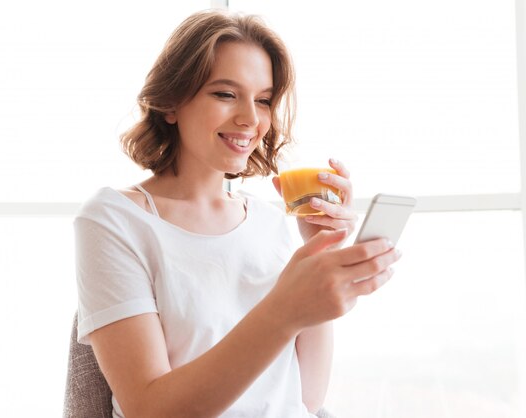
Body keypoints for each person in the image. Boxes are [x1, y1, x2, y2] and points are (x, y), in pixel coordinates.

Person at [74, 9, 400, 418]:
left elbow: (305, 398)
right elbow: (149, 408)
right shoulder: (114, 220)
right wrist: (285, 308)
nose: (250, 119)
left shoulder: (268, 222)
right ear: (171, 102)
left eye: (263, 100)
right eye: (226, 94)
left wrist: (317, 252)